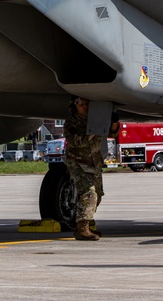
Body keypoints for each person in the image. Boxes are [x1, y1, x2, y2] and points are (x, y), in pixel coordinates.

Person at [64, 96, 118, 241]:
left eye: (86, 103)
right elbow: (74, 142)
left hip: (94, 162)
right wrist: (91, 133)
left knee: (98, 195)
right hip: (77, 162)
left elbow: (112, 134)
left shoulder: (96, 120)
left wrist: (113, 123)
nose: (84, 106)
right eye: (80, 104)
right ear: (74, 106)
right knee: (90, 193)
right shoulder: (72, 122)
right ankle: (82, 229)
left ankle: (85, 224)